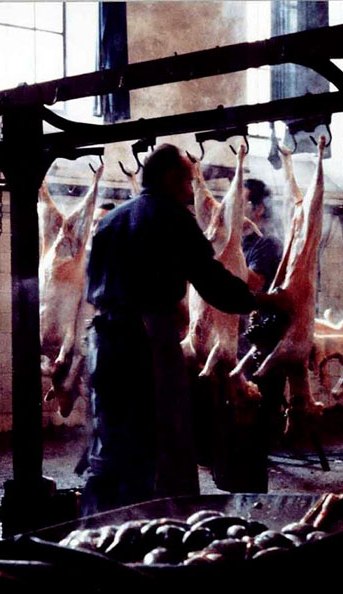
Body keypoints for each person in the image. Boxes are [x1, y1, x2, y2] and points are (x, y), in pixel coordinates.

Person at [81, 143, 259, 515]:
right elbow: (211, 280)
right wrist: (259, 300)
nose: (191, 189)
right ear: (168, 178)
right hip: (147, 340)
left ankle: (99, 524)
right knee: (162, 435)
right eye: (187, 180)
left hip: (102, 341)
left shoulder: (112, 221)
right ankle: (160, 523)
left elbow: (93, 284)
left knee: (109, 437)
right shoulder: (172, 216)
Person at [242, 178, 283, 294]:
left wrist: (227, 261)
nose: (232, 209)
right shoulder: (240, 241)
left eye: (239, 204)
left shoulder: (269, 243)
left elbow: (256, 284)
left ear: (259, 209)